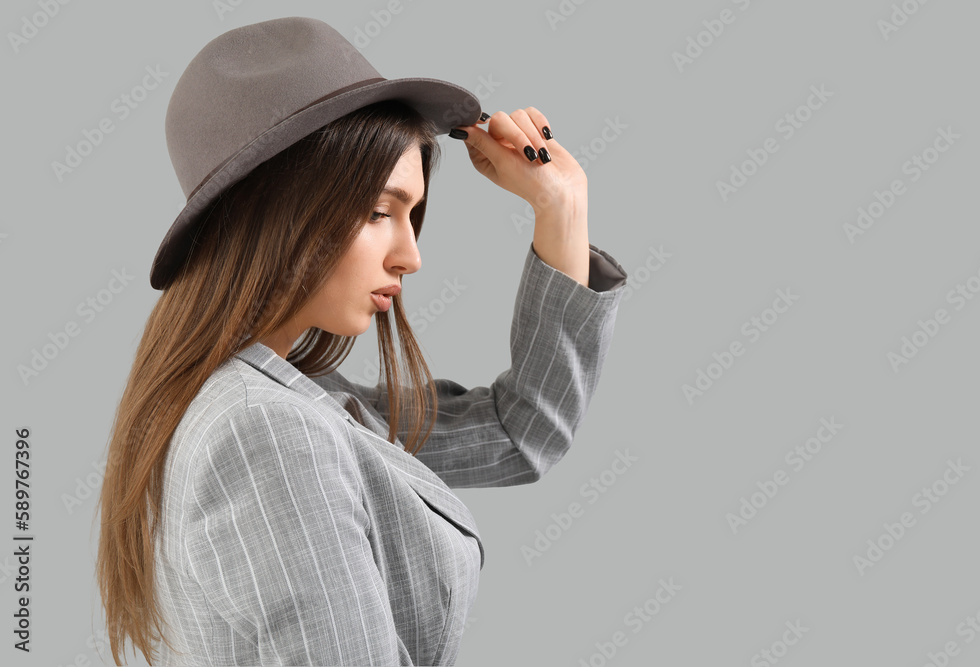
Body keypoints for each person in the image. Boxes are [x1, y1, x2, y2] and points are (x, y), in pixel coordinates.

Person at [95, 16, 628, 666]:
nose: (411, 255)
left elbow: (519, 432)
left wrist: (561, 208)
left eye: (412, 215)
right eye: (381, 212)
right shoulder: (265, 432)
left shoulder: (293, 399)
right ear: (278, 209)